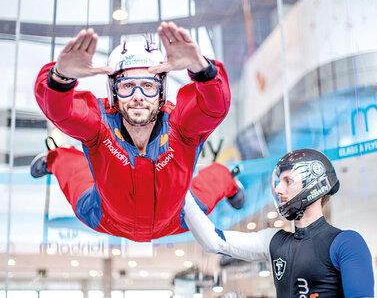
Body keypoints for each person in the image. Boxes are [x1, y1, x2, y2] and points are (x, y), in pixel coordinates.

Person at [31, 21, 239, 242]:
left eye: (148, 86)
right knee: (71, 168)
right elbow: (62, 113)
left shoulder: (180, 127)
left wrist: (203, 70)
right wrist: (60, 79)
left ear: (161, 92)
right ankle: (53, 158)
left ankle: (234, 184)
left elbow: (214, 108)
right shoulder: (101, 124)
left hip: (177, 218)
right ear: (114, 92)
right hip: (105, 216)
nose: (138, 95)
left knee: (217, 179)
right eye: (127, 86)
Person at [183, 149, 374, 297]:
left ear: (313, 185)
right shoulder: (274, 241)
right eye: (279, 181)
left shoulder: (346, 242)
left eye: (288, 181)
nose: (278, 189)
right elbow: (213, 241)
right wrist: (179, 188)